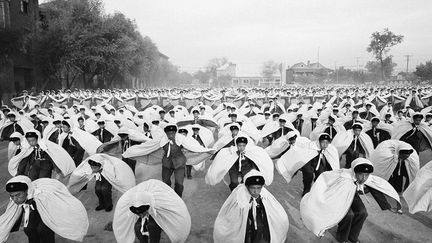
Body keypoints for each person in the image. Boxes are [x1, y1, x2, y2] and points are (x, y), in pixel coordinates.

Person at [300, 158, 401, 243]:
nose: (364, 178)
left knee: (363, 212)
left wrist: (387, 206)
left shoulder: (366, 178)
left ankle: (352, 237)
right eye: (361, 174)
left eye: (366, 175)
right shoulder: (344, 178)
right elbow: (327, 181)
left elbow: (375, 190)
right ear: (355, 172)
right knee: (348, 215)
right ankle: (342, 237)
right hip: (338, 197)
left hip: (353, 196)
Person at [0, 176, 89, 243]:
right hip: (33, 210)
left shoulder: (43, 196)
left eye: (18, 195)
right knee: (29, 229)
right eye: (12, 196)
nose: (14, 199)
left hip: (48, 210)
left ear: (27, 191)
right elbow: (9, 216)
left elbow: (57, 208)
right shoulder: (17, 198)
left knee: (43, 229)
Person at [213, 170, 289, 243]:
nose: (256, 191)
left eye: (259, 188)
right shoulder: (239, 195)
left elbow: (275, 211)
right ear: (247, 187)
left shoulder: (265, 195)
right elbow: (232, 217)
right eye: (253, 188)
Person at [113, 179, 191, 243]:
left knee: (153, 226)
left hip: (156, 208)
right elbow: (121, 222)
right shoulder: (128, 200)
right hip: (143, 203)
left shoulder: (162, 201)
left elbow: (178, 214)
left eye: (142, 213)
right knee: (138, 227)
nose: (141, 216)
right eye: (139, 214)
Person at [206, 136, 274, 191]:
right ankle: (234, 194)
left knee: (248, 182)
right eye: (239, 146)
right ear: (236, 145)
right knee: (234, 183)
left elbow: (259, 159)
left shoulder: (250, 152)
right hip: (234, 169)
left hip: (246, 169)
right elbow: (223, 159)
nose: (241, 148)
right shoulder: (231, 152)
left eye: (243, 146)